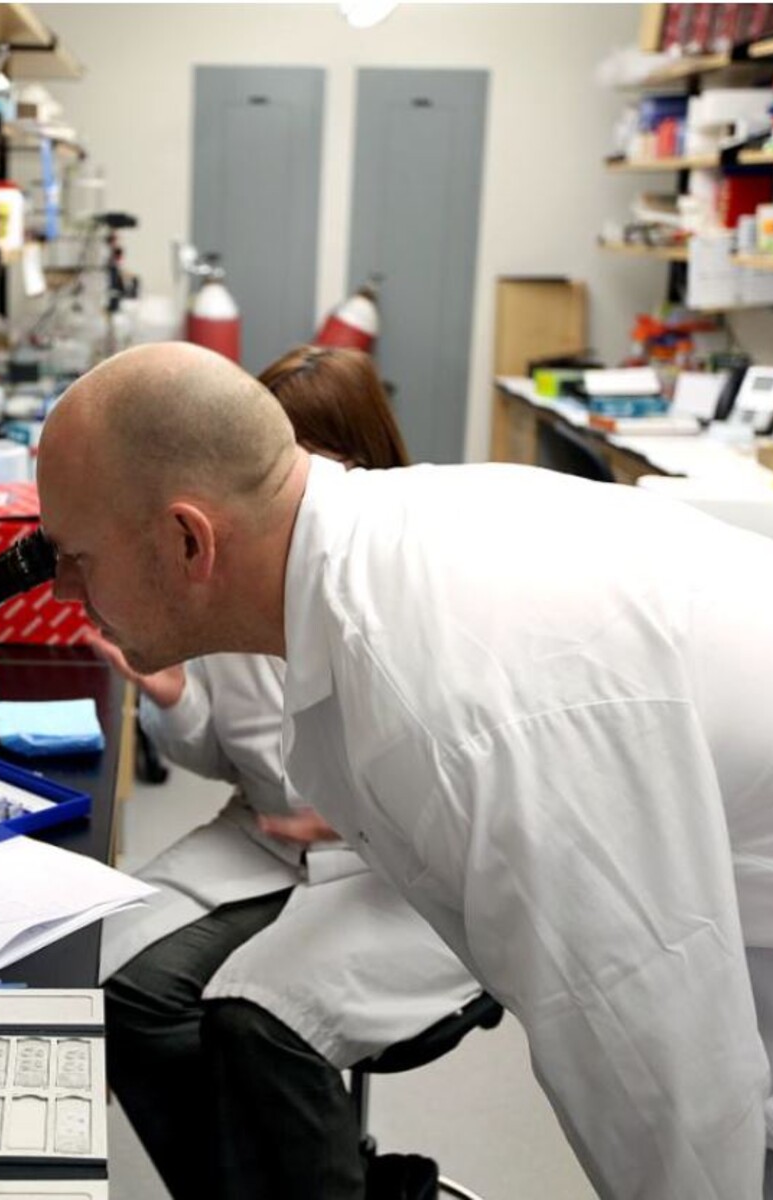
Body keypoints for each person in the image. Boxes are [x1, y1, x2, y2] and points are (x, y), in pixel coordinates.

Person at [35, 341, 773, 1200]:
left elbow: (658, 1074)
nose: (70, 594)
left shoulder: (450, 687)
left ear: (185, 539)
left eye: (75, 557)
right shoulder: (383, 561)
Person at [93, 346, 481, 1200]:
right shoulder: (233, 568)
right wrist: (174, 699)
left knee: (256, 1027)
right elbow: (224, 752)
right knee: (125, 993)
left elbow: (476, 784)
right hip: (267, 847)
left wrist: (358, 813)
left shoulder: (410, 589)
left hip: (400, 873)